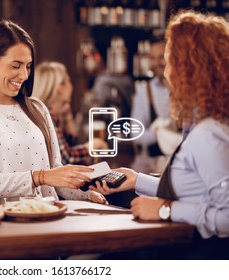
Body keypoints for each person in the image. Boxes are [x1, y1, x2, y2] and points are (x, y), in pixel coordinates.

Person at [92, 11, 229, 259]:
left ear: (189, 70)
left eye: (169, 63)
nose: (165, 73)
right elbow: (195, 191)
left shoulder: (208, 135)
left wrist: (166, 210)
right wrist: (137, 180)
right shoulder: (207, 124)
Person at [0, 20, 107, 206]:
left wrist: (87, 195)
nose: (24, 75)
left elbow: (55, 177)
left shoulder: (37, 108)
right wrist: (40, 177)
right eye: (16, 66)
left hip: (44, 219)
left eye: (28, 66)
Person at [32, 61, 107, 165]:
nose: (71, 87)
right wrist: (92, 146)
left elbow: (72, 144)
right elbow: (66, 159)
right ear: (60, 87)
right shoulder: (46, 113)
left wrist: (68, 117)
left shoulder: (49, 111)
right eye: (68, 81)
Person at [131, 34, 173, 156]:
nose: (156, 63)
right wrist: (162, 134)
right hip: (156, 162)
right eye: (152, 58)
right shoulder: (144, 90)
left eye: (161, 57)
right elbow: (136, 134)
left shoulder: (186, 89)